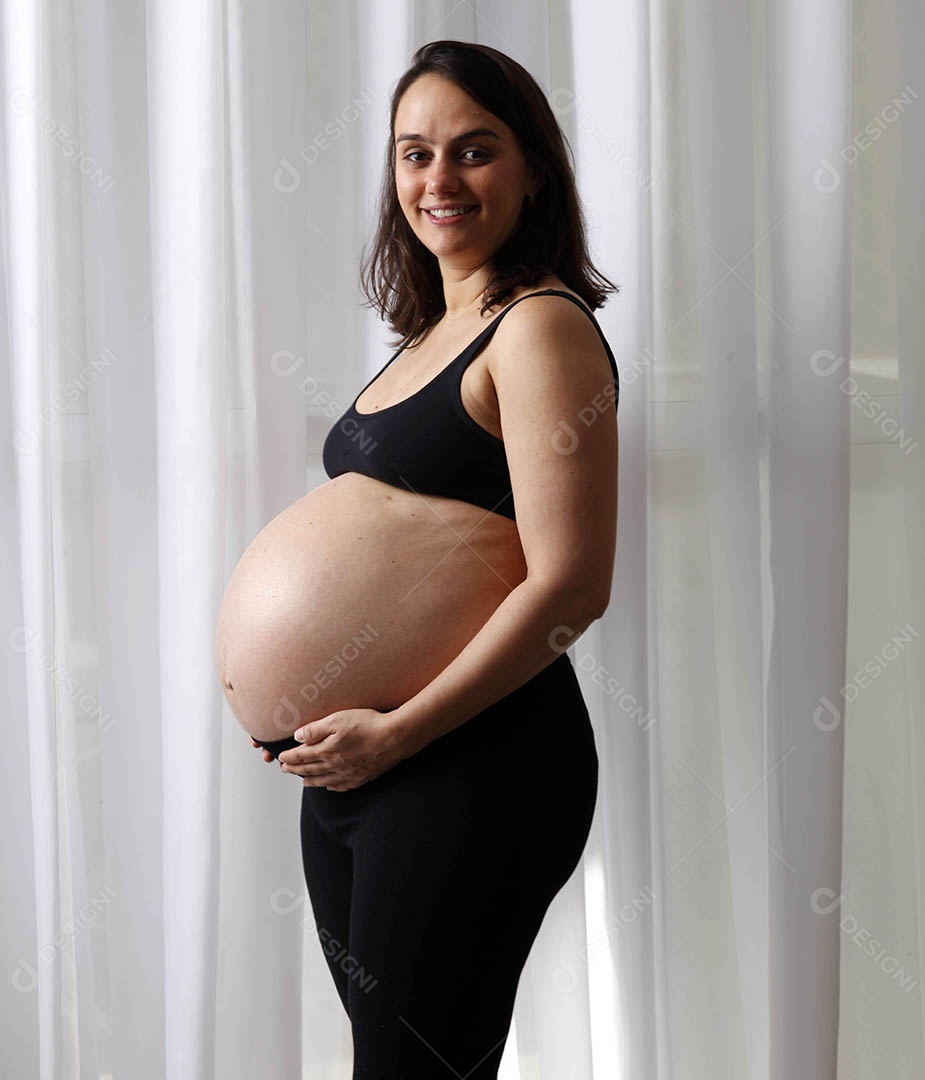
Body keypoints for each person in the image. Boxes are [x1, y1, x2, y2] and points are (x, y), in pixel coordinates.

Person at [252, 39, 620, 1078]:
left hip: (468, 765)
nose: (437, 179)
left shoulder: (538, 329)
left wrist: (396, 734)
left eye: (473, 150)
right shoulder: (429, 332)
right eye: (414, 154)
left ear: (533, 168)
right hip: (358, 767)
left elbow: (572, 585)